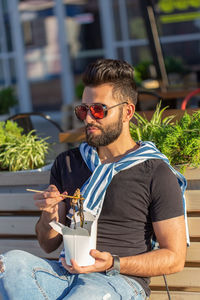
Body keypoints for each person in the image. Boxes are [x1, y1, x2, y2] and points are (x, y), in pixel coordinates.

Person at [0, 59, 187, 300]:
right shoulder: (68, 162)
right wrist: (50, 215)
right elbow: (48, 245)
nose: (88, 118)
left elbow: (174, 257)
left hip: (118, 281)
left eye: (99, 110)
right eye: (83, 110)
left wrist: (112, 262)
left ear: (127, 112)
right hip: (63, 274)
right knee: (9, 265)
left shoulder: (154, 171)